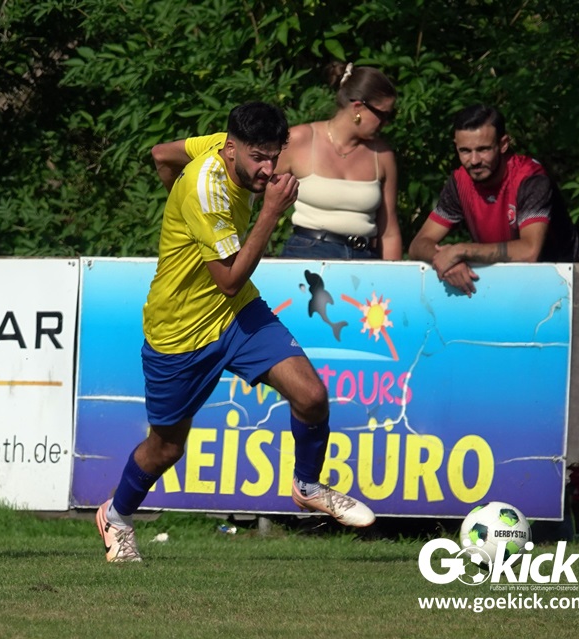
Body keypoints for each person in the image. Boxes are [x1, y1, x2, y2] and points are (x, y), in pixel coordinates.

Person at [96, 102, 375, 563]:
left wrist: (182, 212)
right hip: (180, 330)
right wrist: (268, 212)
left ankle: (307, 486)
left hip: (235, 314)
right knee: (165, 448)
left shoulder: (218, 145)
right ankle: (117, 515)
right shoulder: (206, 189)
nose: (267, 168)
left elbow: (161, 154)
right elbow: (227, 277)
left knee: (311, 395)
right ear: (231, 150)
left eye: (273, 157)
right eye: (257, 158)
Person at [408, 104, 579, 296]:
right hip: (504, 286)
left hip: (565, 288)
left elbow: (529, 252)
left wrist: (461, 251)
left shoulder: (530, 178)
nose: (474, 160)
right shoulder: (460, 182)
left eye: (483, 149)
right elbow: (418, 244)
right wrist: (446, 260)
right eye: (465, 151)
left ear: (503, 144)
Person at [276, 63, 401, 259]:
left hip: (364, 256)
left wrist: (394, 274)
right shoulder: (299, 140)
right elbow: (254, 196)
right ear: (358, 107)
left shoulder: (382, 155)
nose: (386, 123)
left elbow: (389, 232)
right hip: (308, 252)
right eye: (383, 115)